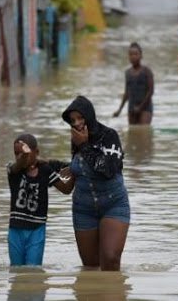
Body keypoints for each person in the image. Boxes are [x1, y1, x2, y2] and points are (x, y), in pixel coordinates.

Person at [62, 96, 130, 271]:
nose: (77, 123)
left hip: (113, 204)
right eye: (73, 120)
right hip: (83, 209)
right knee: (90, 267)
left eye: (80, 118)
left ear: (89, 116)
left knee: (110, 259)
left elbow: (108, 170)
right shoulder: (76, 141)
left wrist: (84, 146)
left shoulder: (109, 136)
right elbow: (76, 172)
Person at [6, 134, 74, 266]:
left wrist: (76, 171)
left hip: (37, 229)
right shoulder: (13, 171)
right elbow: (19, 164)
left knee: (33, 269)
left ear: (36, 152)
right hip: (15, 229)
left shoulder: (45, 171)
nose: (20, 156)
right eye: (16, 153)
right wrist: (26, 155)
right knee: (16, 269)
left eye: (24, 153)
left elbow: (66, 189)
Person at [113, 42, 154, 125]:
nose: (133, 57)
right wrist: (119, 110)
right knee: (133, 133)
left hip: (145, 107)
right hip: (132, 108)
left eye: (136, 54)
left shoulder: (146, 71)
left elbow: (150, 91)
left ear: (141, 56)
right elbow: (126, 94)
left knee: (143, 132)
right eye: (131, 54)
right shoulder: (127, 73)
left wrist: (140, 107)